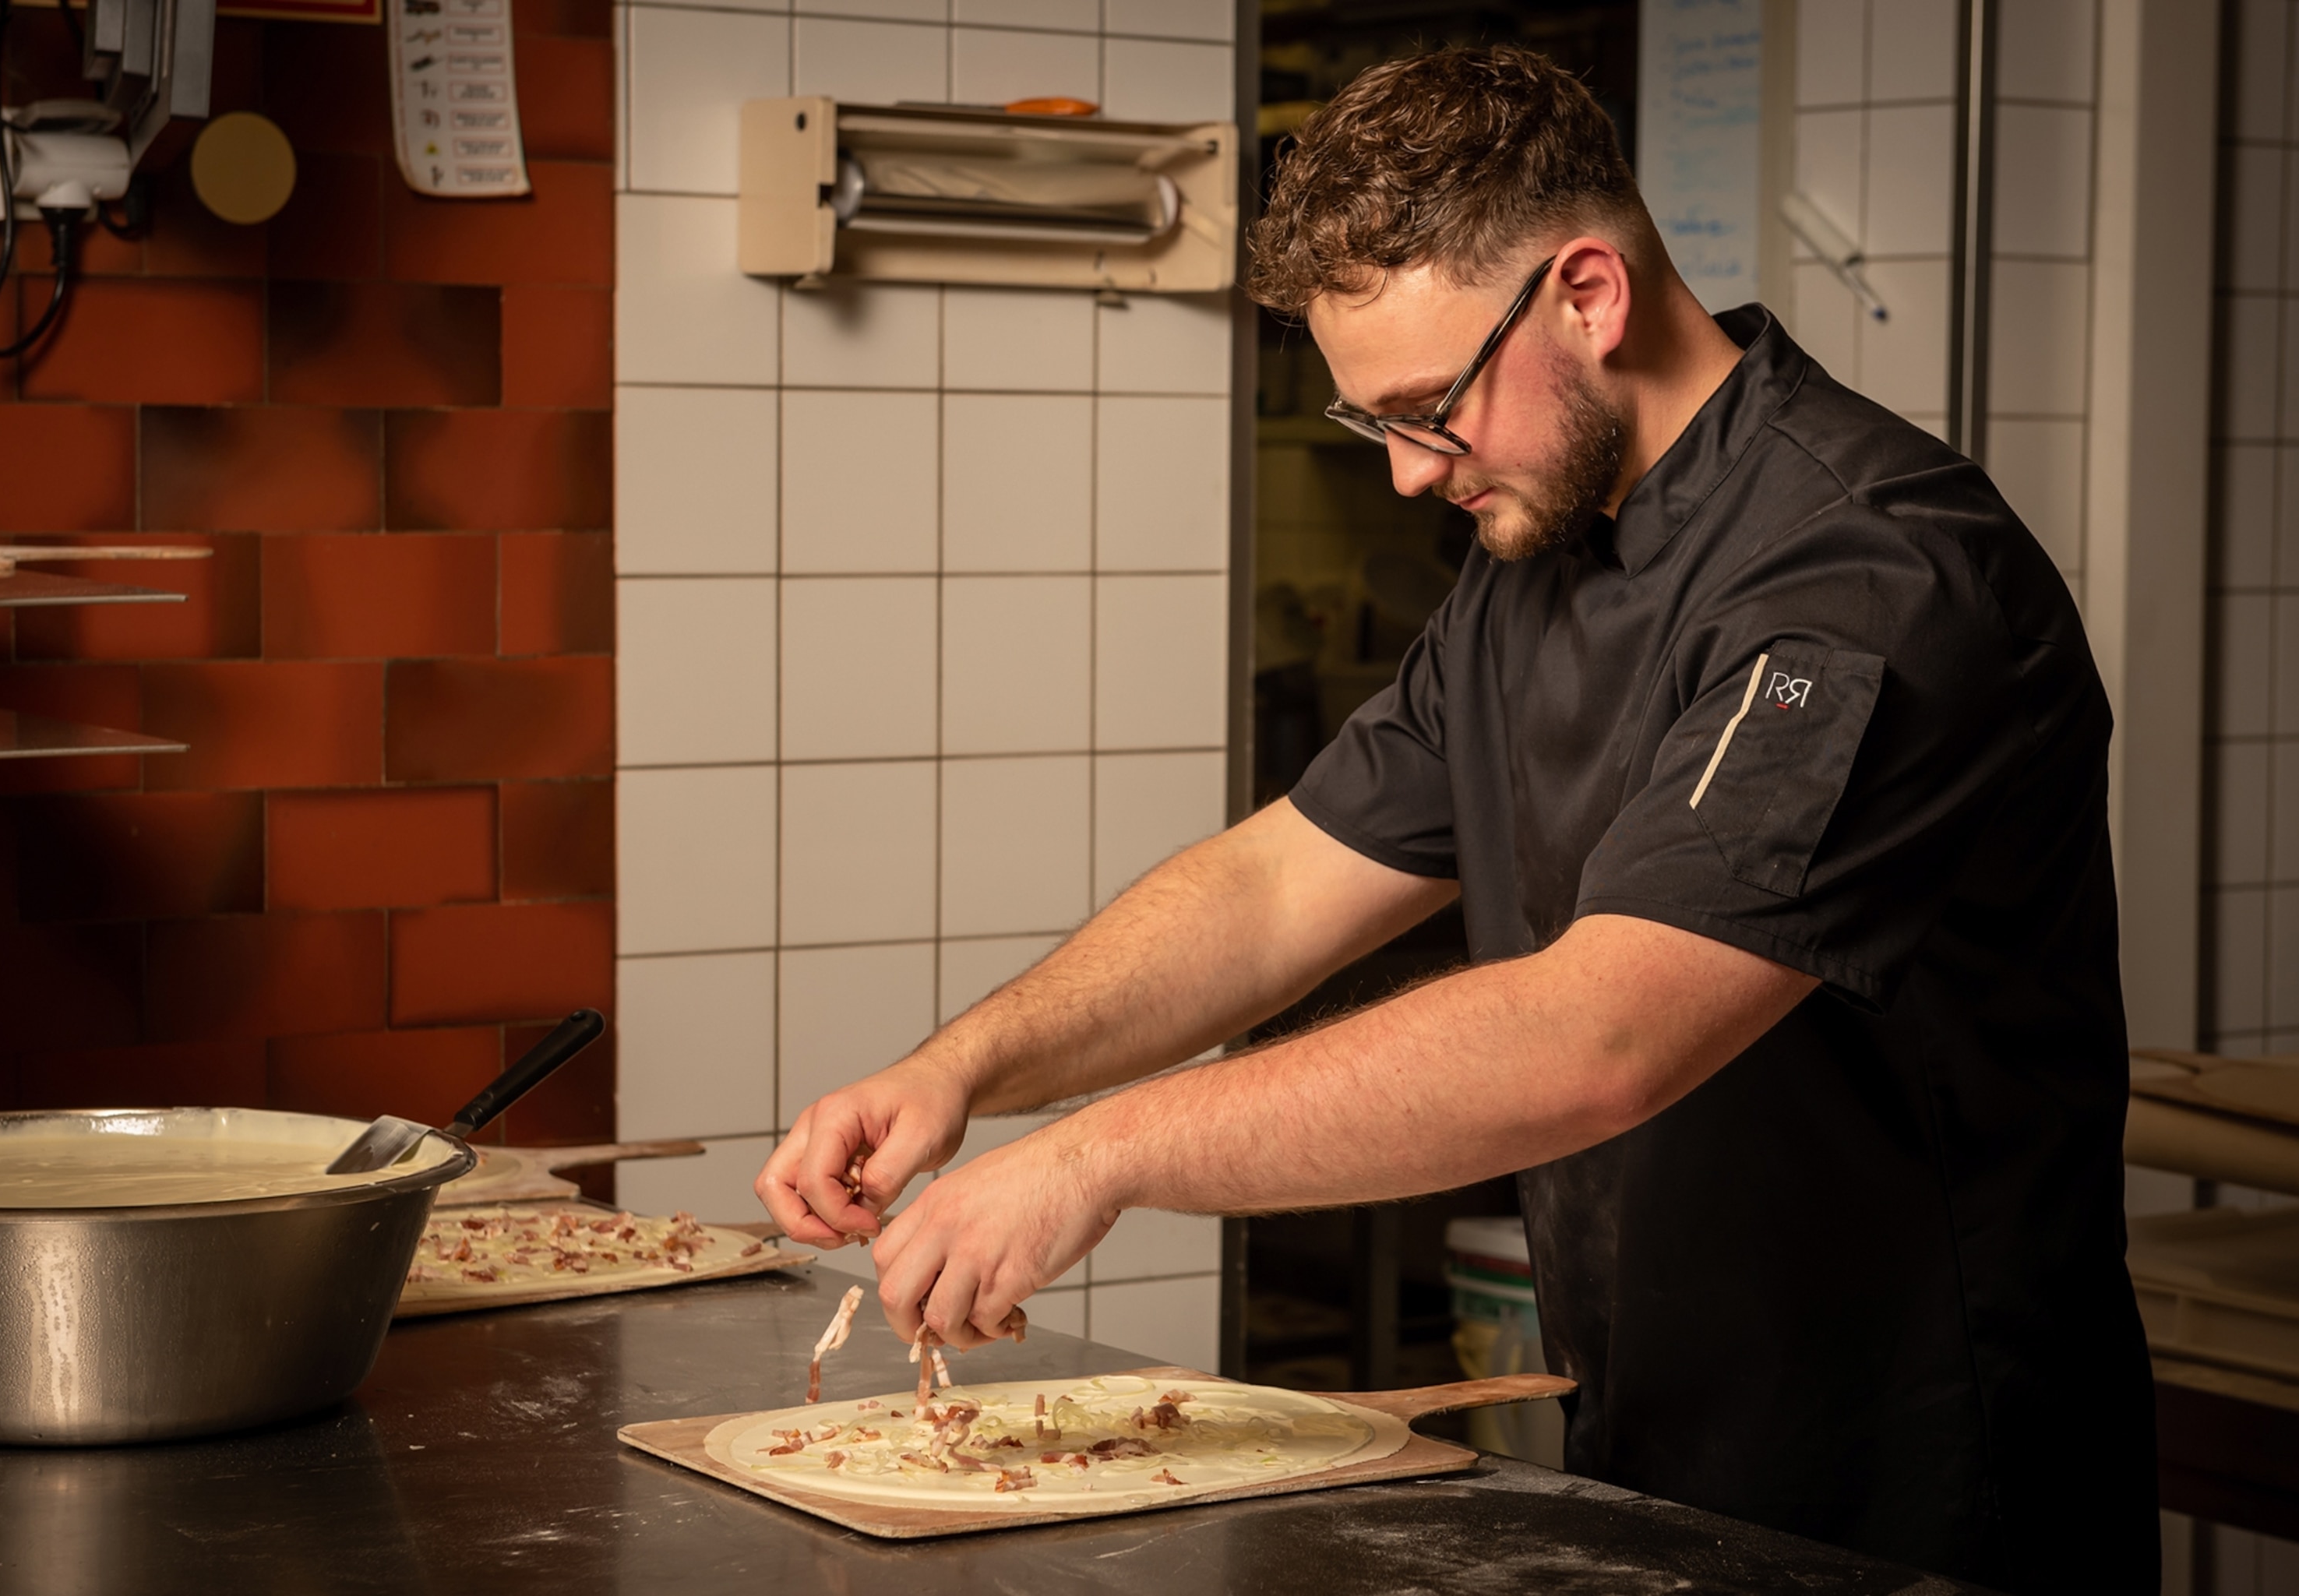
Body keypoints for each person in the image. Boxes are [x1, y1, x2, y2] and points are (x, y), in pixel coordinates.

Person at [758, 44, 2156, 1594]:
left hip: (1928, 1496)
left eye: (1430, 409)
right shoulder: (1533, 563)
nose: (1413, 477)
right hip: (1660, 1445)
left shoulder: (1871, 571)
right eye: (1377, 424)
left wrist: (1101, 1153)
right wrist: (964, 1067)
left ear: (1589, 293)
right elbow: (1278, 885)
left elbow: (1598, 1034)